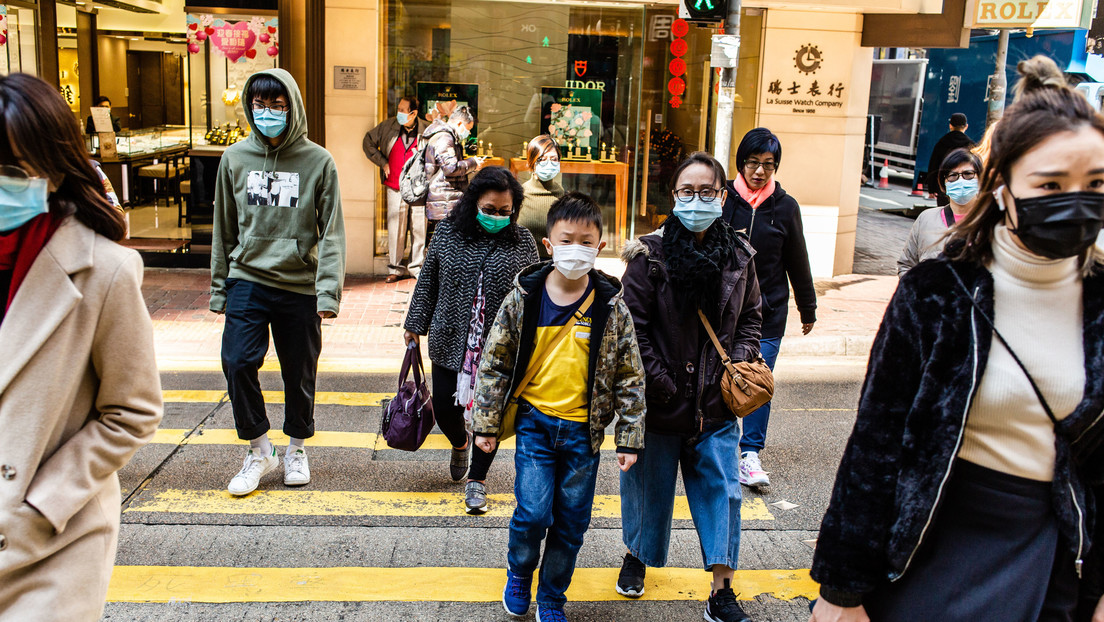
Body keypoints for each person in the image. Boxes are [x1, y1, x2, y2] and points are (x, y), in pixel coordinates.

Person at [809, 56, 1104, 622]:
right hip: (929, 547)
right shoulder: (935, 294)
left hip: (1053, 559)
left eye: (1094, 184)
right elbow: (875, 448)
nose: (1075, 200)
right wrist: (841, 593)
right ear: (1002, 188)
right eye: (1050, 184)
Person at [0, 73, 162, 619]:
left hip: (49, 548)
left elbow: (133, 411)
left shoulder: (105, 272)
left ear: (50, 171)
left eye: (10, 171)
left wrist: (43, 503)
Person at [470, 192, 645, 621]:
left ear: (600, 247)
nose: (576, 249)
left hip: (584, 435)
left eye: (586, 241)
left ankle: (552, 595)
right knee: (532, 512)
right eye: (567, 240)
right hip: (536, 425)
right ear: (548, 244)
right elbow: (495, 362)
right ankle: (519, 571)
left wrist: (630, 438)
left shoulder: (610, 306)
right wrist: (486, 424)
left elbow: (630, 375)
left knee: (570, 524)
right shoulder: (525, 298)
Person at [618, 152, 762, 622]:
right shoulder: (648, 255)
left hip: (714, 403)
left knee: (724, 491)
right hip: (659, 404)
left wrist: (737, 363)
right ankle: (637, 555)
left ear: (723, 196)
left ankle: (722, 589)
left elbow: (752, 317)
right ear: (673, 196)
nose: (696, 200)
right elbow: (631, 328)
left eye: (707, 192)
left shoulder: (740, 256)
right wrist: (659, 381)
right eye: (687, 192)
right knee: (647, 491)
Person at [210, 68, 346, 497]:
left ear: (293, 107)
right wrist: (219, 287)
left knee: (299, 372)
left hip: (299, 284)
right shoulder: (234, 159)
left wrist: (328, 290)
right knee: (236, 362)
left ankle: (297, 448)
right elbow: (223, 228)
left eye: (277, 105)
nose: (267, 113)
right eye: (260, 105)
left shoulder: (318, 161)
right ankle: (258, 449)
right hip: (247, 277)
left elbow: (333, 233)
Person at [403, 167, 539, 512]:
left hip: (500, 348)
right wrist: (414, 325)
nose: (497, 217)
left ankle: (477, 480)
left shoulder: (522, 241)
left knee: (487, 417)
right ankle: (460, 442)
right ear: (473, 203)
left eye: (504, 212)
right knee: (447, 412)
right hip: (450, 338)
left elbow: (535, 293)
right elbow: (428, 281)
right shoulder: (448, 233)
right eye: (490, 209)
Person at [721, 127, 816, 489]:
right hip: (724, 311)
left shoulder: (785, 207)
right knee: (722, 380)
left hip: (769, 313)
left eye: (768, 165)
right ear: (741, 163)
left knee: (757, 383)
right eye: (753, 163)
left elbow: (798, 261)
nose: (759, 172)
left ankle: (749, 455)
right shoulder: (724, 198)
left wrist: (808, 308)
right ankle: (719, 444)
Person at [362, 95, 429, 283]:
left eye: (402, 110)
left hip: (418, 187)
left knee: (418, 228)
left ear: (413, 113)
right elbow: (368, 141)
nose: (398, 113)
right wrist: (382, 162)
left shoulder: (426, 130)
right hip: (395, 184)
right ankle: (395, 268)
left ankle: (416, 267)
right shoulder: (387, 126)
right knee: (396, 227)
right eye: (398, 109)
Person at [897, 148, 983, 276]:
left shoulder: (990, 222)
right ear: (944, 183)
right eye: (953, 176)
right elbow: (906, 265)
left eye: (968, 174)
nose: (960, 181)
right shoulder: (926, 219)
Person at [423, 106, 484, 230]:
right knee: (446, 244)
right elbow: (450, 168)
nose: (469, 133)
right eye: (468, 129)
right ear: (460, 123)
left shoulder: (447, 136)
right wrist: (473, 163)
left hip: (445, 200)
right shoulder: (445, 137)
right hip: (444, 202)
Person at [517, 135, 565, 260]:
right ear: (530, 163)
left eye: (554, 159)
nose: (549, 164)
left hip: (553, 264)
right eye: (542, 160)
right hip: (523, 262)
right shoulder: (520, 194)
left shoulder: (562, 195)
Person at [926, 112, 973, 206]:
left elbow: (933, 165)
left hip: (944, 187)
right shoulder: (970, 145)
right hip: (963, 188)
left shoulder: (942, 142)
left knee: (944, 215)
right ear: (966, 126)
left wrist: (932, 188)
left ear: (950, 126)